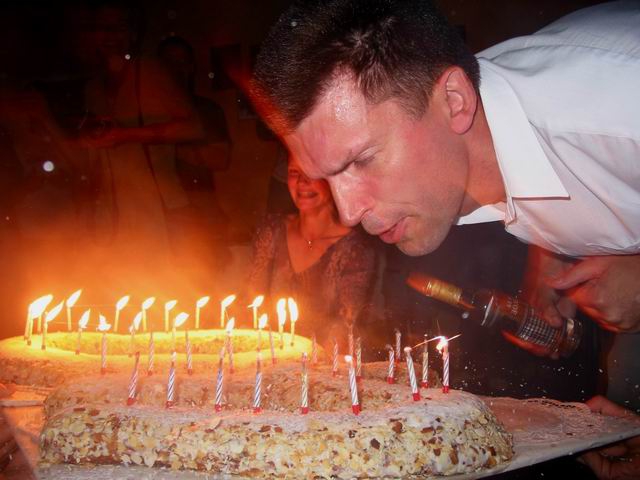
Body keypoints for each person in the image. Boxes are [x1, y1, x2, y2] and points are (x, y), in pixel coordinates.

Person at [250, 0, 640, 476]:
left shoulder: (623, 109)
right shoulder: (454, 146)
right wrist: (552, 248)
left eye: (361, 160)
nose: (348, 212)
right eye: (326, 177)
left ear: (455, 100)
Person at [79, 2, 204, 294]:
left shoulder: (149, 72)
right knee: (118, 294)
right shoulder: (93, 87)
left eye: (117, 27)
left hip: (159, 208)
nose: (109, 35)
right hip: (112, 214)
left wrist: (127, 134)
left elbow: (194, 127)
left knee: (165, 294)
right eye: (102, 28)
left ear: (132, 33)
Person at [247, 155, 378, 346]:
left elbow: (347, 325)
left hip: (322, 359)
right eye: (294, 172)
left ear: (334, 179)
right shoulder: (272, 230)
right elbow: (252, 298)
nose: (302, 182)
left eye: (312, 172)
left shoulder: (355, 249)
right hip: (268, 353)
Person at [158, 35, 233, 282]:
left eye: (181, 62)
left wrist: (168, 146)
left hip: (199, 206)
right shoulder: (146, 111)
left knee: (202, 280)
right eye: (168, 63)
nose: (174, 69)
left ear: (191, 67)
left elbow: (221, 159)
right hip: (154, 210)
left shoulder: (206, 109)